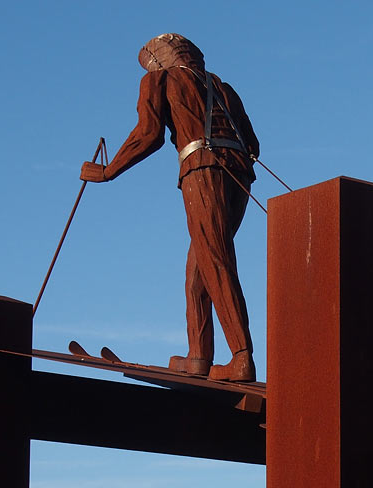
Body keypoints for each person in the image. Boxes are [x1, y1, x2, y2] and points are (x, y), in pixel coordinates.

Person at [80, 33, 259, 382]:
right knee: (198, 268)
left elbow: (149, 134)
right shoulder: (224, 88)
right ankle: (199, 357)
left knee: (215, 260)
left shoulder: (159, 80)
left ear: (158, 59)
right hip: (239, 176)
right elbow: (253, 144)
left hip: (201, 170)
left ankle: (241, 357)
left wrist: (107, 171)